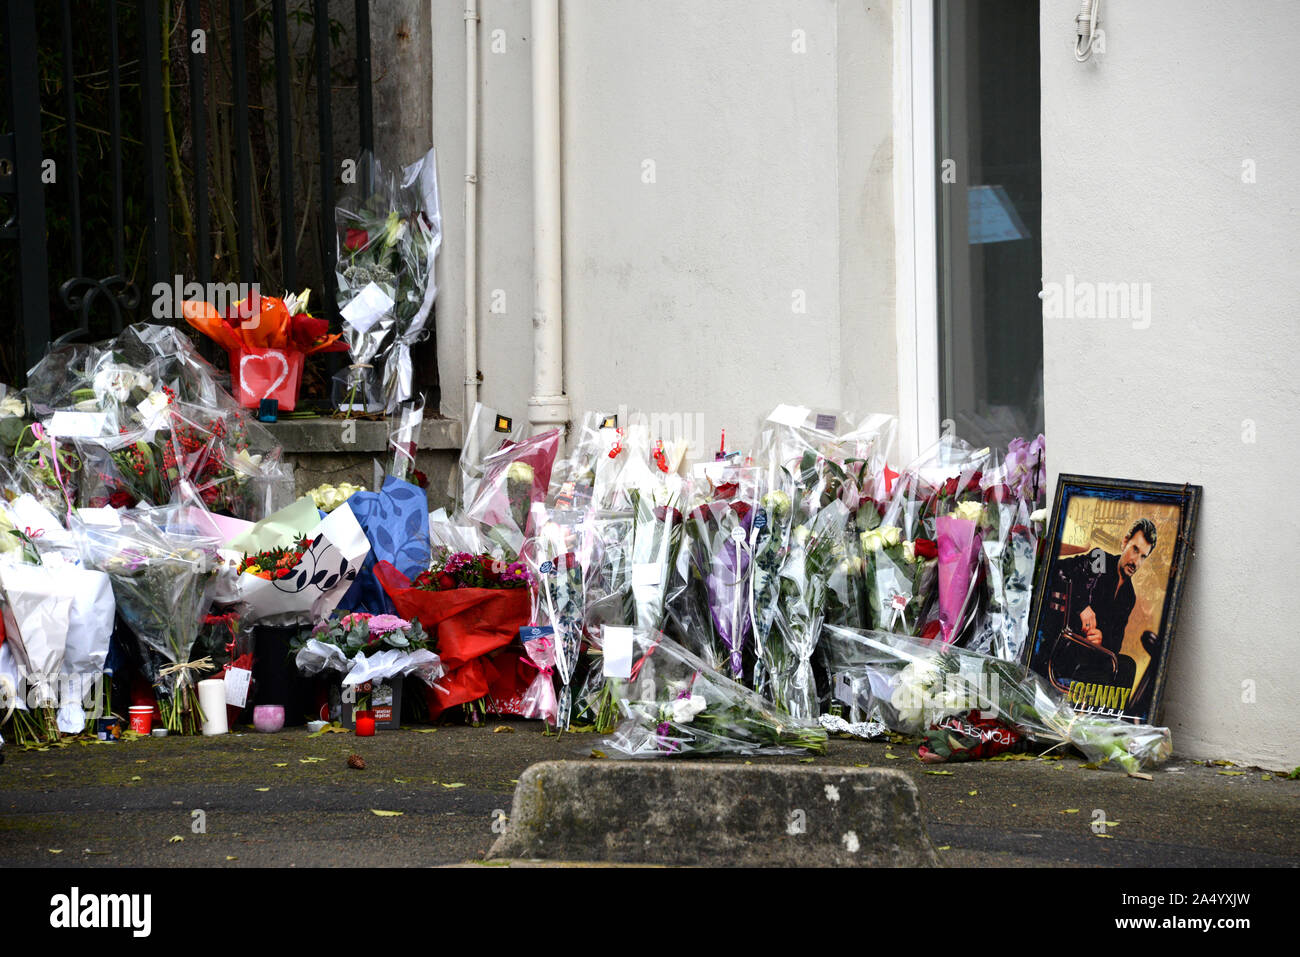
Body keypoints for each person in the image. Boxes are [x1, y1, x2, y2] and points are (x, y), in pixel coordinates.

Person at [1053, 518, 1158, 658]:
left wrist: (1102, 639)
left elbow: (1116, 643)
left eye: (1143, 556)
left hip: (1092, 654)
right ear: (1125, 542)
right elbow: (1059, 570)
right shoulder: (1100, 559)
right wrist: (1082, 606)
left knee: (1127, 664)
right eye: (1135, 549)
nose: (1136, 562)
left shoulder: (1129, 596)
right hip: (1067, 643)